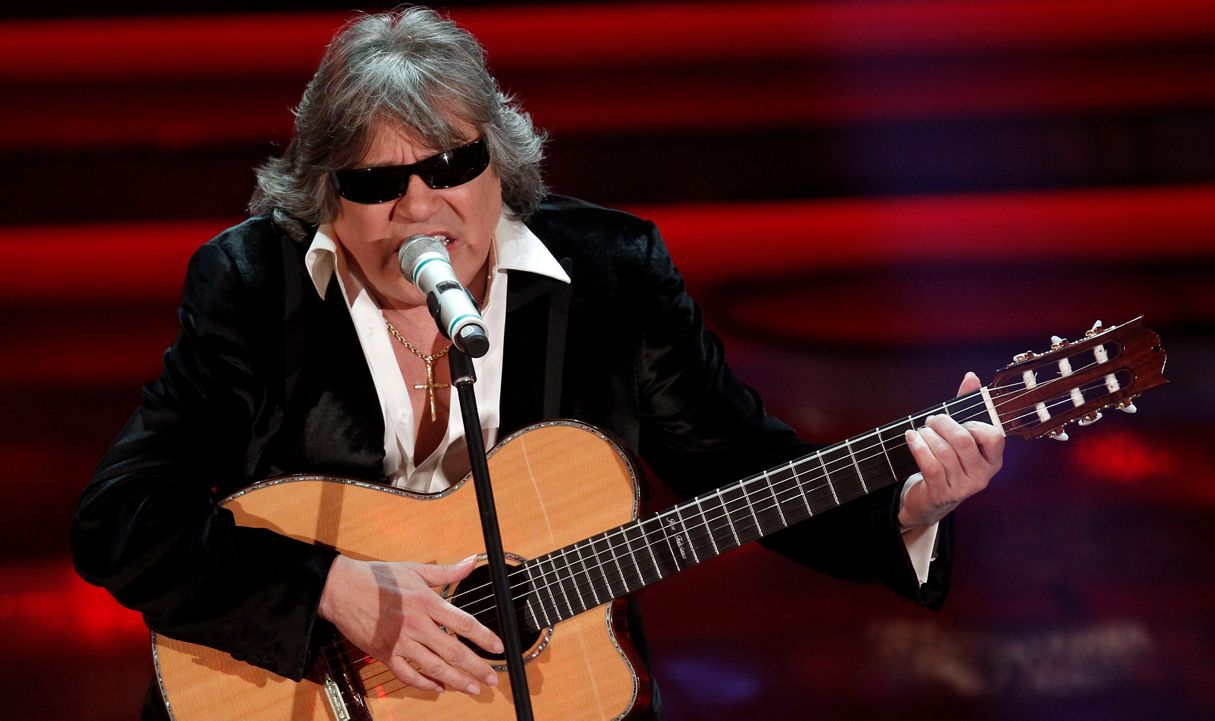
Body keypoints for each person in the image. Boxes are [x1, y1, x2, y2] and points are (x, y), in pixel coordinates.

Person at [70, 6, 1004, 719]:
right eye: (374, 181)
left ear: (500, 164)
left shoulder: (613, 274)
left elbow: (739, 462)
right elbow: (122, 518)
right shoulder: (249, 285)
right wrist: (330, 589)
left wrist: (905, 507)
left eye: (450, 166)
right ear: (325, 196)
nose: (418, 205)